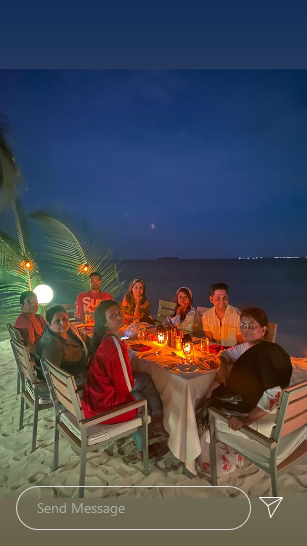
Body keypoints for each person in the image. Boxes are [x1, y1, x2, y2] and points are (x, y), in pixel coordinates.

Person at [197, 308, 292, 476]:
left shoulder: (267, 353)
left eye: (251, 326)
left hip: (257, 415)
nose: (245, 329)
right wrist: (223, 365)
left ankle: (216, 463)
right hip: (264, 408)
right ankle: (234, 452)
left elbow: (273, 393)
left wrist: (247, 419)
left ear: (263, 330)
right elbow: (225, 353)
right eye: (243, 325)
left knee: (204, 411)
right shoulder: (248, 347)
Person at [82, 300, 168, 458]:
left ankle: (156, 421)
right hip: (105, 408)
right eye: (112, 315)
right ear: (105, 323)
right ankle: (154, 433)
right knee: (143, 393)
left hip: (93, 402)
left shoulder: (100, 340)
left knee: (144, 379)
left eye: (119, 312)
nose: (119, 317)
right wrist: (129, 374)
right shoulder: (113, 343)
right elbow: (126, 388)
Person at [36, 305, 89, 382]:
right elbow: (51, 375)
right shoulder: (52, 344)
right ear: (49, 324)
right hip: (68, 380)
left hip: (80, 369)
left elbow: (88, 340)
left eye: (65, 319)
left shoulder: (71, 329)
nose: (63, 323)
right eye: (57, 321)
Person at [14, 291, 47, 356]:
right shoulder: (25, 322)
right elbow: (30, 347)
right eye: (28, 302)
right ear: (22, 305)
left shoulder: (38, 317)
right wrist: (49, 354)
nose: (33, 304)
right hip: (41, 357)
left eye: (35, 301)